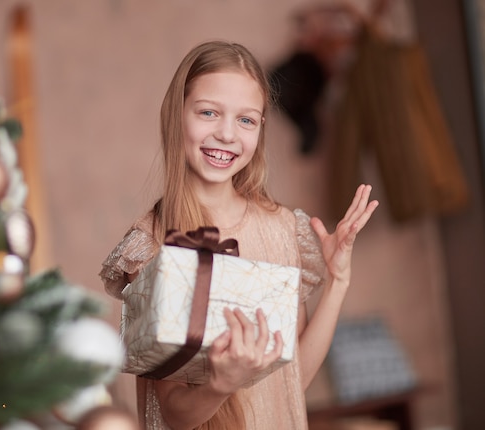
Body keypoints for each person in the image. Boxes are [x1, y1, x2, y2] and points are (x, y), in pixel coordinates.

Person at [99, 40, 378, 430]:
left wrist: (338, 280)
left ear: (260, 127)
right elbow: (176, 414)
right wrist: (221, 385)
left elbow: (291, 380)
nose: (227, 134)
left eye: (245, 120)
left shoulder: (282, 228)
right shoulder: (150, 244)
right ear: (176, 115)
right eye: (209, 113)